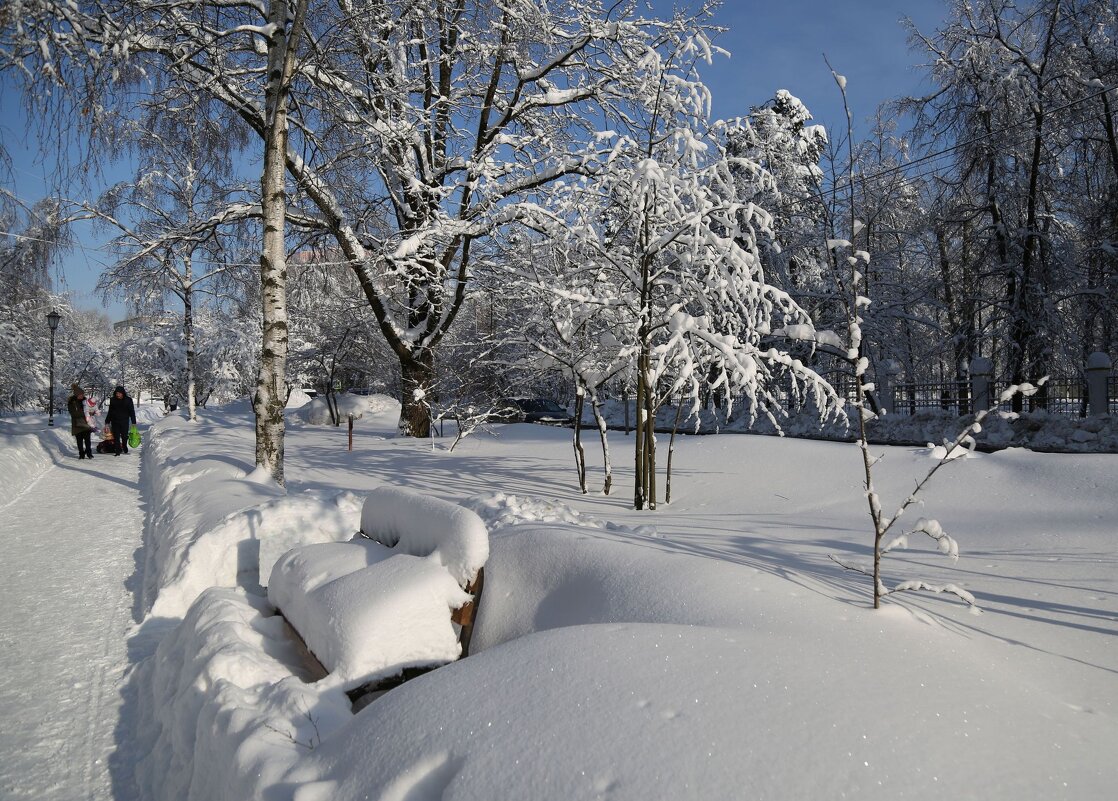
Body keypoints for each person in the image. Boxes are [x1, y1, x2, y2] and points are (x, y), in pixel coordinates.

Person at [106, 384, 137, 455]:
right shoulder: (113, 400)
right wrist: (107, 421)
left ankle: (124, 446)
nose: (118, 395)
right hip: (115, 421)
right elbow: (110, 411)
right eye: (117, 393)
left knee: (124, 436)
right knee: (116, 436)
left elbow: (132, 411)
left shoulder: (128, 400)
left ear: (123, 393)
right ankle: (118, 450)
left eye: (119, 393)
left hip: (124, 421)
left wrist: (133, 422)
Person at [67, 383, 94, 460]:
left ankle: (89, 453)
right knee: (79, 440)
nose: (82, 395)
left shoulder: (85, 401)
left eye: (82, 394)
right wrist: (85, 413)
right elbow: (74, 413)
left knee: (87, 440)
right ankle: (81, 454)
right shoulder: (72, 402)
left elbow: (90, 409)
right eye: (80, 394)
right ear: (76, 395)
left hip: (86, 423)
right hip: (77, 424)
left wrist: (92, 412)